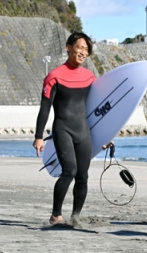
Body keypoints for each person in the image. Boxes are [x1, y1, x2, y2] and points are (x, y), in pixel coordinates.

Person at [32, 31, 96, 226]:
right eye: (79, 47)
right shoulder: (54, 77)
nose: (83, 52)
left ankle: (75, 216)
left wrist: (106, 134)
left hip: (83, 130)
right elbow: (44, 109)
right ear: (69, 48)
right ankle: (56, 215)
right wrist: (39, 136)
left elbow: (97, 108)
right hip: (63, 129)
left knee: (83, 176)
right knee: (69, 171)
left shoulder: (90, 77)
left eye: (86, 49)